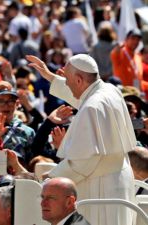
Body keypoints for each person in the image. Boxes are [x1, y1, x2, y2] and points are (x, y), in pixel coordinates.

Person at [27, 54, 137, 225]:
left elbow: (82, 163)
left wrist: (51, 178)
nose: (67, 85)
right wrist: (50, 77)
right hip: (119, 179)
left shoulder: (92, 107)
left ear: (79, 80)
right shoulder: (109, 90)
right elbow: (81, 95)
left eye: (68, 80)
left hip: (101, 187)